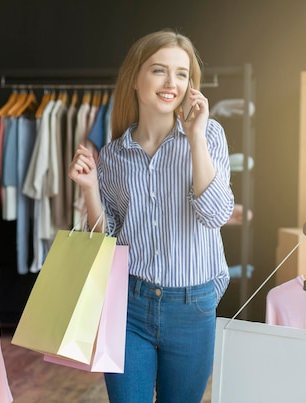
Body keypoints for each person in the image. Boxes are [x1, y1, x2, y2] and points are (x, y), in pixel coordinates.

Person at [68, 28, 234, 402]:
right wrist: (90, 188)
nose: (171, 82)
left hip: (192, 308)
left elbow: (217, 214)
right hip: (129, 304)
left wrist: (194, 137)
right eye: (159, 70)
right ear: (135, 78)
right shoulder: (112, 155)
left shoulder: (210, 137)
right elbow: (105, 239)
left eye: (182, 73)